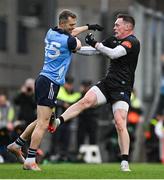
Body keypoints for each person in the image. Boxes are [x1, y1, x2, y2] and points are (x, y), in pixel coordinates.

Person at [7, 9, 103, 171]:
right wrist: (95, 44)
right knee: (43, 123)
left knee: (40, 120)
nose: (74, 27)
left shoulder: (51, 32)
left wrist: (88, 26)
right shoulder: (70, 41)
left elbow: (71, 33)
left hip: (43, 80)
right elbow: (77, 44)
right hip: (50, 83)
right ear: (63, 24)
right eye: (71, 25)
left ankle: (17, 145)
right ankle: (31, 159)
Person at [50, 13, 140, 171]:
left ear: (128, 27)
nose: (114, 27)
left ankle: (124, 161)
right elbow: (94, 51)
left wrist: (95, 43)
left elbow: (113, 53)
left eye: (117, 25)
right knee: (85, 101)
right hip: (108, 84)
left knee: (120, 123)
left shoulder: (132, 42)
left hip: (122, 88)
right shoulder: (112, 40)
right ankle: (57, 122)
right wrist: (75, 49)